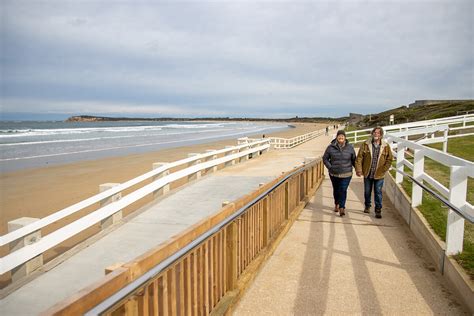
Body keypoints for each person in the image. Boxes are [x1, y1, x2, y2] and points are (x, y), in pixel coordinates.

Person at [355, 126, 393, 218]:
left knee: (378, 192)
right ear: (372, 134)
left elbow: (390, 159)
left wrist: (384, 169)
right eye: (375, 132)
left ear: (381, 135)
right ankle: (367, 206)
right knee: (367, 192)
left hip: (379, 174)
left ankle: (378, 210)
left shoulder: (385, 146)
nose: (376, 134)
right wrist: (359, 169)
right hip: (368, 173)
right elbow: (359, 158)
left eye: (378, 133)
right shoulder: (366, 144)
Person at [323, 130, 356, 216]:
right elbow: (325, 158)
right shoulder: (330, 147)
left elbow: (354, 160)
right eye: (339, 136)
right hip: (334, 173)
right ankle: (336, 203)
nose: (341, 137)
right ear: (337, 137)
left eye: (342, 136)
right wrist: (330, 167)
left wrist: (358, 169)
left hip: (346, 173)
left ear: (345, 137)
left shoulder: (350, 147)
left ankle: (342, 207)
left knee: (343, 190)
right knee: (336, 190)